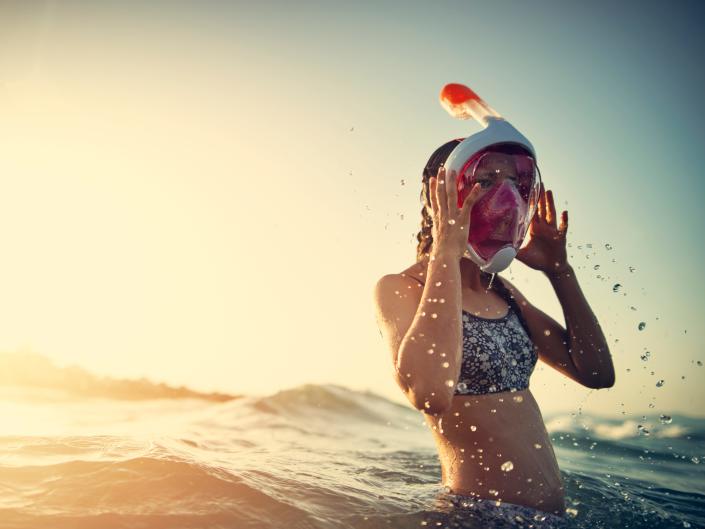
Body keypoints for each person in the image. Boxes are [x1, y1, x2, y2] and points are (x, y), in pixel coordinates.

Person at [372, 138, 615, 524]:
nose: (505, 198)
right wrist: (445, 255)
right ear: (444, 193)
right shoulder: (402, 288)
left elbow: (597, 373)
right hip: (477, 516)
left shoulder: (500, 289)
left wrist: (559, 271)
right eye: (485, 180)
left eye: (514, 184)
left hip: (548, 520)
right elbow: (431, 394)